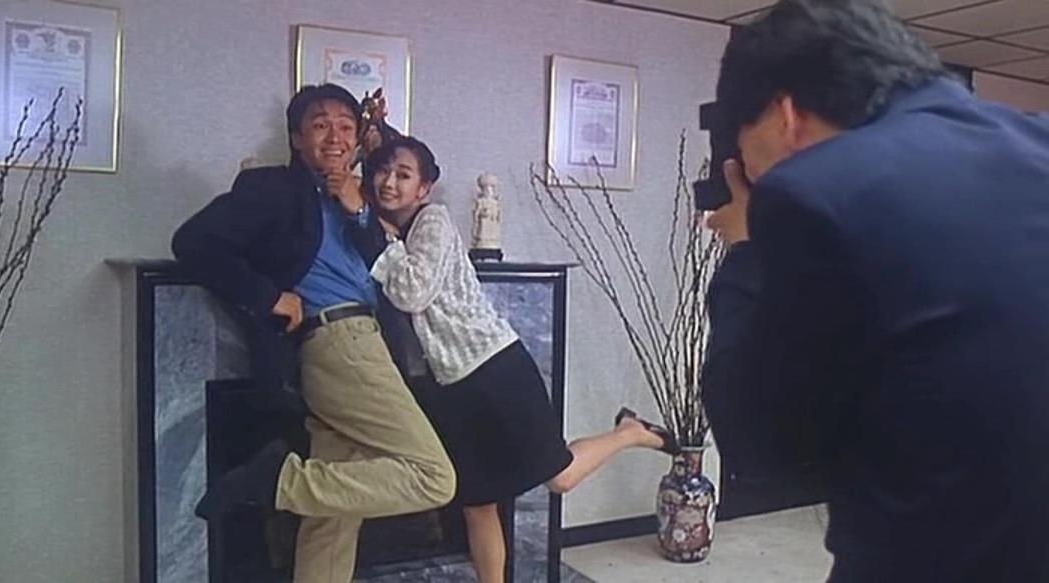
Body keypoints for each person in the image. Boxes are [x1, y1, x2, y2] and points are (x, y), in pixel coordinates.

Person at [701, 1, 1049, 581]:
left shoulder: (815, 190)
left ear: (786, 115)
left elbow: (763, 446)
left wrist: (747, 246)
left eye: (748, 154)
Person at [170, 83, 455, 583]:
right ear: (297, 138)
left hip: (360, 344)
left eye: (346, 127)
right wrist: (268, 296)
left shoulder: (361, 198)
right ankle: (279, 481)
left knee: (333, 517)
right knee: (434, 476)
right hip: (339, 341)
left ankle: (290, 494)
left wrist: (362, 187)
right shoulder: (273, 189)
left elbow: (405, 165)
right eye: (320, 125)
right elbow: (193, 242)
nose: (335, 137)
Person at [360, 136, 671, 583]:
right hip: (449, 387)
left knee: (559, 477)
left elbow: (412, 292)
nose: (389, 182)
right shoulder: (384, 233)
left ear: (424, 188)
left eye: (403, 174)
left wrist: (384, 241)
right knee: (477, 504)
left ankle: (630, 433)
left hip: (495, 367)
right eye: (382, 171)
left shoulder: (433, 220)